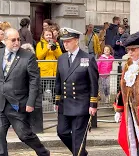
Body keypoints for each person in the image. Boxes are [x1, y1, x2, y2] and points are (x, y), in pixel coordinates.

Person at [0, 28, 50, 156]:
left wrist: (31, 102)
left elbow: (34, 81)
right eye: (13, 40)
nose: (17, 42)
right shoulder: (0, 54)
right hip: (1, 103)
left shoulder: (27, 56)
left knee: (24, 135)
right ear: (5, 41)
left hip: (17, 104)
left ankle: (43, 152)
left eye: (18, 39)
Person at [55, 27, 99, 156]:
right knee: (61, 132)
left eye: (68, 41)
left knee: (78, 137)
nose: (65, 44)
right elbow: (59, 81)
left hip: (81, 104)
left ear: (76, 41)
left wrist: (93, 104)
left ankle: (78, 153)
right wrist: (57, 100)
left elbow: (93, 83)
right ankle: (81, 153)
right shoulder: (62, 58)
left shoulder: (87, 58)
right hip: (65, 104)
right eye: (64, 41)